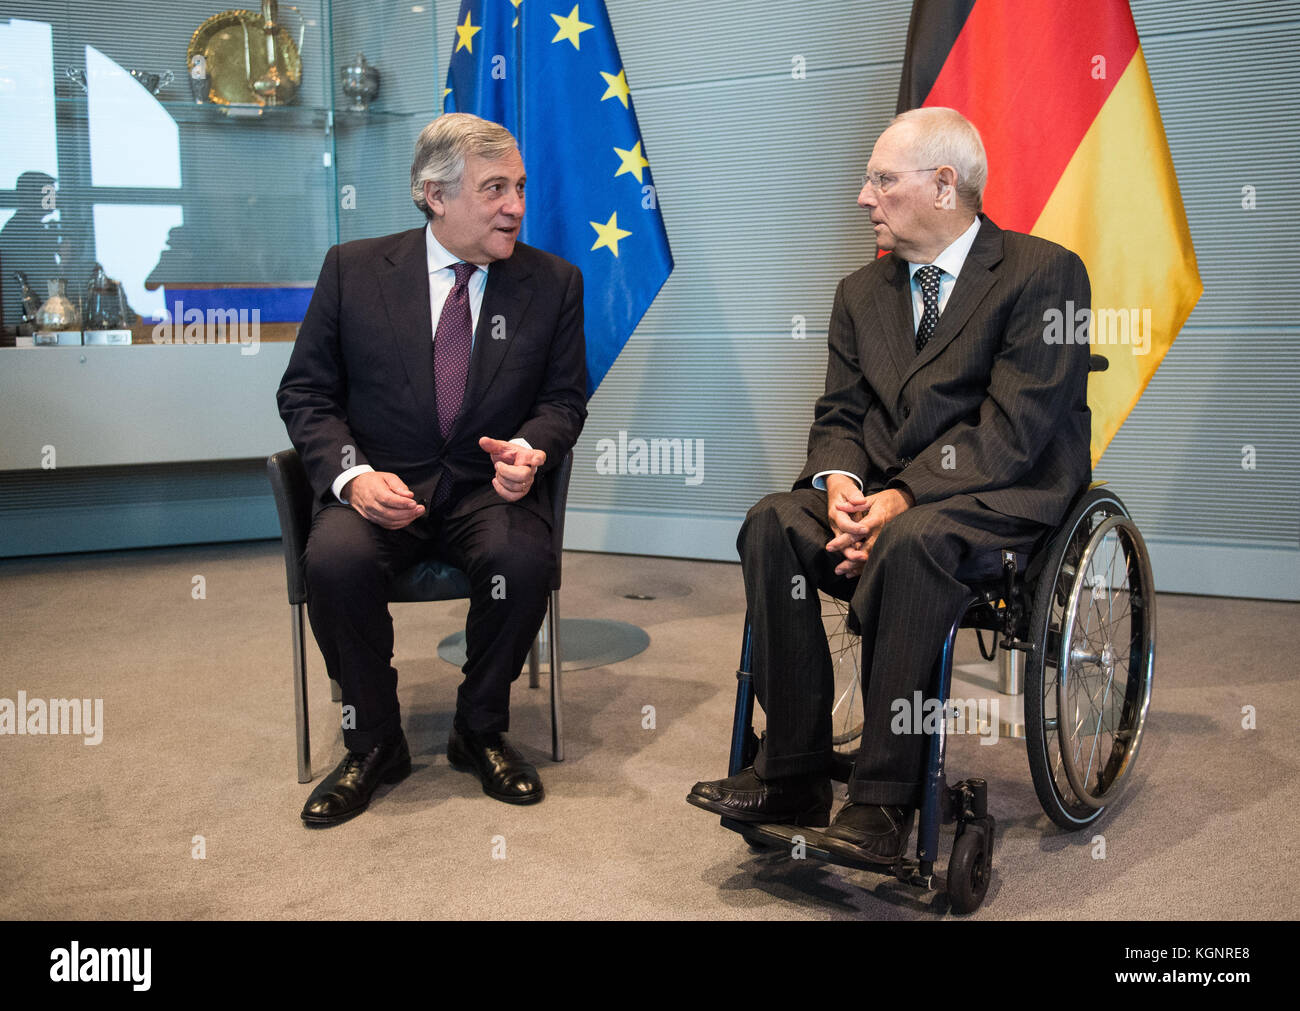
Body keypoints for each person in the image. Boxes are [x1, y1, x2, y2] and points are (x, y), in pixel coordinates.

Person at [687, 106, 1091, 862]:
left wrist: (899, 497)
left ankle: (883, 801)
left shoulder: (1046, 276)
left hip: (1001, 492)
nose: (863, 196)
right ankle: (794, 771)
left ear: (944, 186)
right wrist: (841, 486)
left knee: (912, 539)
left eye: (880, 179)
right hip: (883, 496)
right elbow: (842, 412)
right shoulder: (861, 291)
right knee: (773, 518)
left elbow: (1010, 434)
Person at [278, 113, 587, 825]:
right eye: (495, 188)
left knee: (524, 556)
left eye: (519, 187)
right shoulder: (353, 270)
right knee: (335, 561)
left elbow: (563, 400)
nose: (515, 205)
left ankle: (478, 728)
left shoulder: (553, 282)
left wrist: (532, 450)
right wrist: (352, 477)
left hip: (486, 491)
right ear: (435, 195)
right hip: (381, 485)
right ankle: (374, 741)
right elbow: (306, 393)